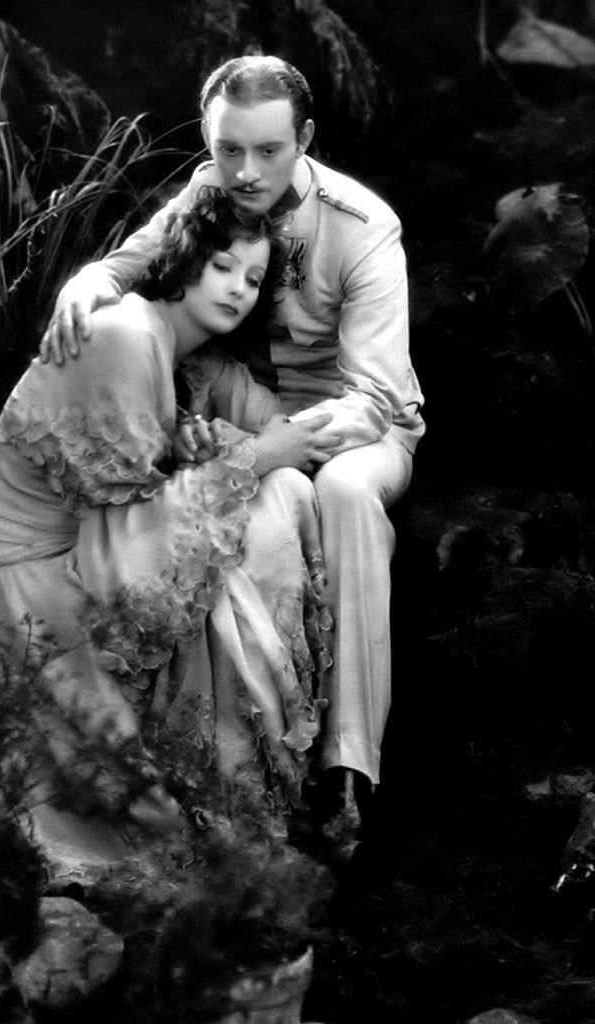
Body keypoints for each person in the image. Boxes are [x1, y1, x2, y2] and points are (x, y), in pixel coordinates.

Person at [40, 55, 425, 843]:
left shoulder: (362, 225)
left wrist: (280, 448)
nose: (244, 173)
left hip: (356, 424)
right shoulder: (208, 188)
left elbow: (376, 398)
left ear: (304, 138)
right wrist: (85, 282)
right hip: (246, 413)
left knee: (343, 492)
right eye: (227, 149)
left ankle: (348, 770)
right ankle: (226, 757)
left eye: (268, 151)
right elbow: (135, 262)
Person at [0, 189, 333, 873]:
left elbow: (139, 481)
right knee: (139, 812)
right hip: (35, 579)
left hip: (78, 554)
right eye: (222, 265)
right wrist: (258, 455)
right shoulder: (127, 333)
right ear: (183, 260)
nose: (236, 289)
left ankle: (240, 786)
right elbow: (127, 530)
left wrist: (226, 452)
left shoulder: (162, 345)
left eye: (253, 278)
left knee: (275, 493)